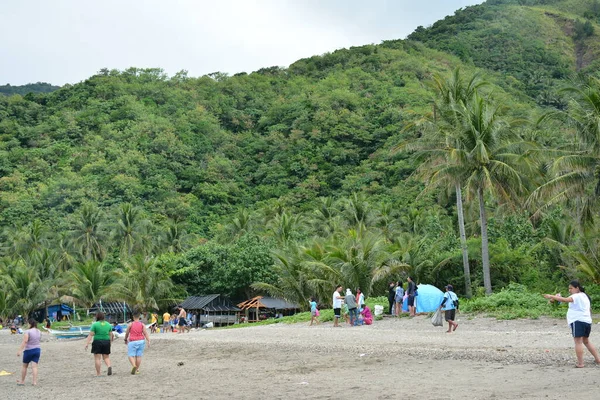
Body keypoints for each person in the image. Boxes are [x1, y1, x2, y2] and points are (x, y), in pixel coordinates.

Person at [544, 280, 600, 368]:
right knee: (586, 341)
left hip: (578, 321)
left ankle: (580, 363)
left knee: (578, 342)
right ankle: (598, 359)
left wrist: (552, 296)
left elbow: (565, 300)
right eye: (569, 288)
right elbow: (589, 310)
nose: (569, 290)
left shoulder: (576, 296)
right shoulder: (585, 296)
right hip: (587, 321)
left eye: (571, 288)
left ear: (577, 288)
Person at [84, 311, 114, 377]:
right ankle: (109, 366)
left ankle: (98, 373)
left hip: (97, 341)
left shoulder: (95, 324)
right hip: (106, 341)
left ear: (97, 317)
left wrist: (87, 343)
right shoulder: (108, 324)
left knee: (97, 358)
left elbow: (90, 335)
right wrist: (110, 342)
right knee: (106, 357)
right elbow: (111, 335)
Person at [16, 318, 42, 386]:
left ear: (30, 324)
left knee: (25, 366)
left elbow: (25, 341)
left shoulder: (28, 331)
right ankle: (34, 382)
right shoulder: (39, 331)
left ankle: (22, 381)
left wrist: (19, 350)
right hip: (37, 350)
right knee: (34, 367)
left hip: (29, 350)